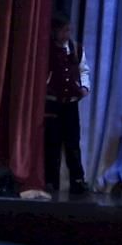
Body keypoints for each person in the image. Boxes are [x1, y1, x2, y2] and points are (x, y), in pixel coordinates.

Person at [45, 14, 91, 195]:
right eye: (63, 31)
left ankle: (77, 180)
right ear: (54, 31)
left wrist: (84, 87)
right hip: (52, 103)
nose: (67, 34)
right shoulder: (47, 49)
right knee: (52, 142)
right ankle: (51, 180)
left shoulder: (76, 49)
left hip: (71, 103)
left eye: (68, 30)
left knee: (73, 142)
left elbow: (83, 70)